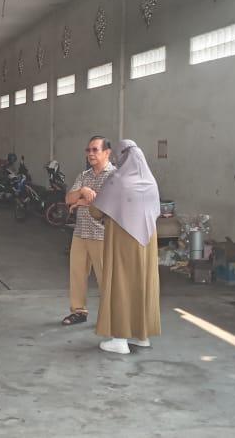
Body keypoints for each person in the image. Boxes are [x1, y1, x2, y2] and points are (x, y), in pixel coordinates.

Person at [89, 139, 162, 354]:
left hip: (123, 239)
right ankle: (142, 336)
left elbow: (96, 211)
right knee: (143, 283)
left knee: (121, 283)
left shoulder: (118, 180)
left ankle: (119, 339)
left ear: (122, 156)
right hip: (147, 241)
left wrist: (91, 198)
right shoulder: (150, 180)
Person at [60, 136, 116, 326]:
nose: (90, 153)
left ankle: (110, 315)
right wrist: (83, 191)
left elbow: (109, 203)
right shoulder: (84, 176)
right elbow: (68, 199)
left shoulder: (114, 176)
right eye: (88, 150)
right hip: (80, 233)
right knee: (77, 275)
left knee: (105, 278)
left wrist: (82, 202)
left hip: (102, 235)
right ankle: (78, 311)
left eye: (95, 150)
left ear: (107, 152)